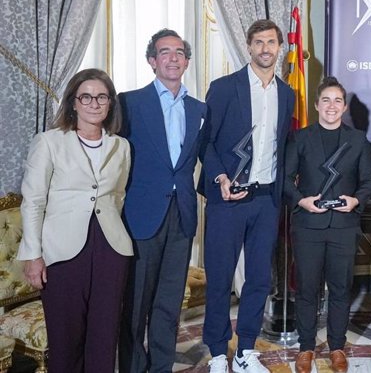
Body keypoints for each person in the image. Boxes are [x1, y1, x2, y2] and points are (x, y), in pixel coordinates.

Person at [17, 68, 132, 372]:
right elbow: (33, 201)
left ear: (110, 104)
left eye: (102, 97)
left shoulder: (121, 146)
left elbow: (117, 196)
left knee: (105, 337)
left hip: (110, 249)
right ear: (73, 102)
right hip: (62, 251)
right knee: (65, 341)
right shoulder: (49, 142)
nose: (94, 103)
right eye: (87, 96)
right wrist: (33, 254)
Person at [200, 19, 295, 373]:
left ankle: (246, 351)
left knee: (258, 278)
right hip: (228, 199)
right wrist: (221, 177)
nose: (265, 49)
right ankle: (217, 353)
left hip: (266, 200)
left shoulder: (287, 94)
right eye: (259, 42)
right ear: (248, 46)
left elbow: (281, 148)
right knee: (221, 278)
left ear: (279, 47)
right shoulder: (225, 88)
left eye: (271, 42)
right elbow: (206, 143)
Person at [118, 28, 207, 373]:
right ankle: (132, 367)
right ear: (152, 61)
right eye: (164, 52)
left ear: (186, 61)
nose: (173, 57)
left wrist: (222, 179)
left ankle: (160, 367)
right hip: (141, 214)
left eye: (179, 52)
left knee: (169, 302)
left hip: (182, 215)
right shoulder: (129, 102)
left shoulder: (200, 109)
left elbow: (205, 157)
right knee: (136, 301)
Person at [284, 77, 371, 373]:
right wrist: (301, 201)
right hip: (308, 225)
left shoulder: (358, 140)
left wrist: (356, 201)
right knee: (308, 290)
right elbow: (285, 181)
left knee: (340, 289)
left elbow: (369, 181)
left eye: (338, 101)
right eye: (326, 100)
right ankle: (306, 348)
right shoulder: (300, 138)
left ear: (345, 106)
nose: (332, 106)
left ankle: (337, 346)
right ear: (316, 105)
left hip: (344, 227)